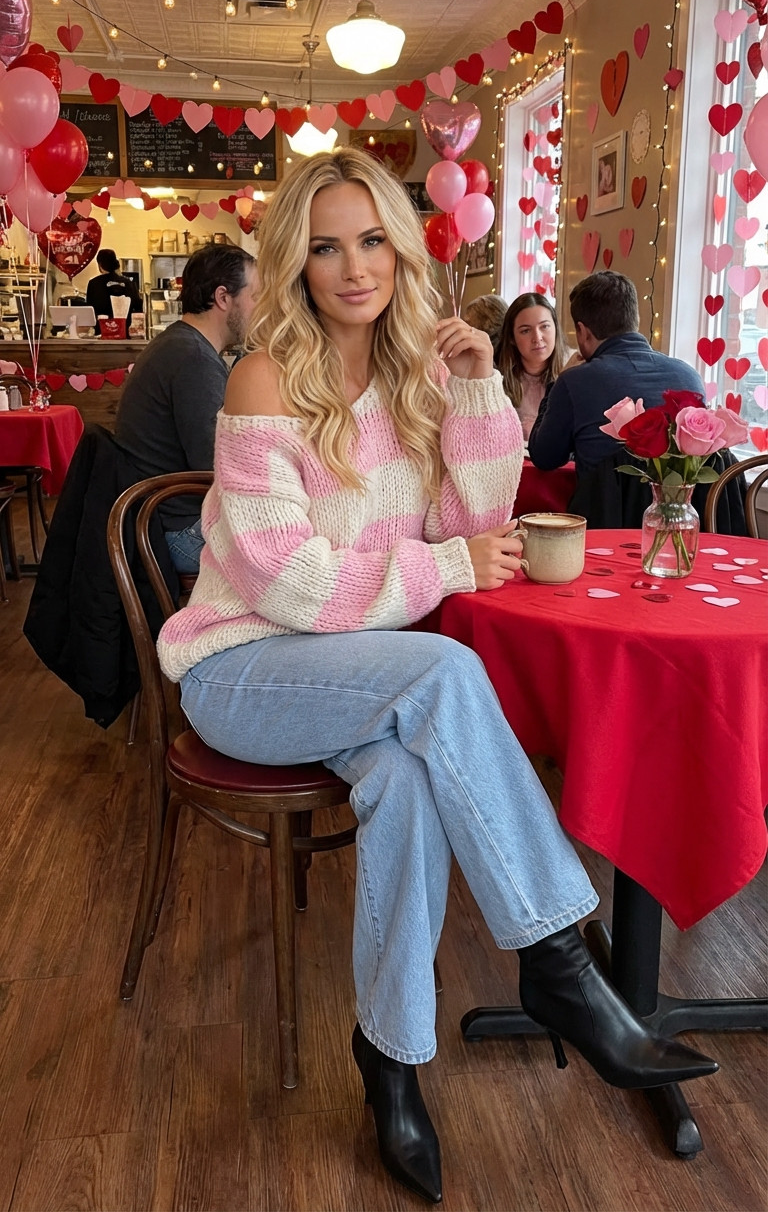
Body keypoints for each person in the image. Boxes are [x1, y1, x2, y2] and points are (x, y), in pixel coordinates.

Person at [156, 151, 715, 1204]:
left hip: (355, 667)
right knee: (448, 674)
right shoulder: (265, 375)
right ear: (298, 261)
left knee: (409, 784)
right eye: (326, 245)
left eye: (371, 239)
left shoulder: (421, 377)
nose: (353, 266)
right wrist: (446, 568)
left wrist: (475, 391)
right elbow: (287, 581)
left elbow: (475, 526)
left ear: (404, 251)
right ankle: (564, 967)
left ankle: (392, 1057)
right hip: (245, 667)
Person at [115, 243, 259, 572]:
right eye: (256, 297)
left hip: (157, 522)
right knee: (285, 560)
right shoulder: (193, 359)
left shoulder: (178, 344)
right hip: (176, 533)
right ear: (224, 298)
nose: (260, 310)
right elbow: (217, 467)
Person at [528, 271, 705, 478]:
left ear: (582, 331)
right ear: (635, 319)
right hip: (678, 509)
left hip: (597, 510)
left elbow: (544, 457)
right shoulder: (690, 376)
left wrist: (555, 384)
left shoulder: (574, 382)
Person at [497, 293, 569, 441]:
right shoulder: (497, 378)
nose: (537, 338)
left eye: (545, 327)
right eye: (525, 330)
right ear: (511, 338)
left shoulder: (574, 368)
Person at [86, 249, 142, 334]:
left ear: (100, 264)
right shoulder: (128, 282)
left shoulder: (94, 283)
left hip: (102, 331)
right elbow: (137, 306)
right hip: (125, 332)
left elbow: (89, 310)